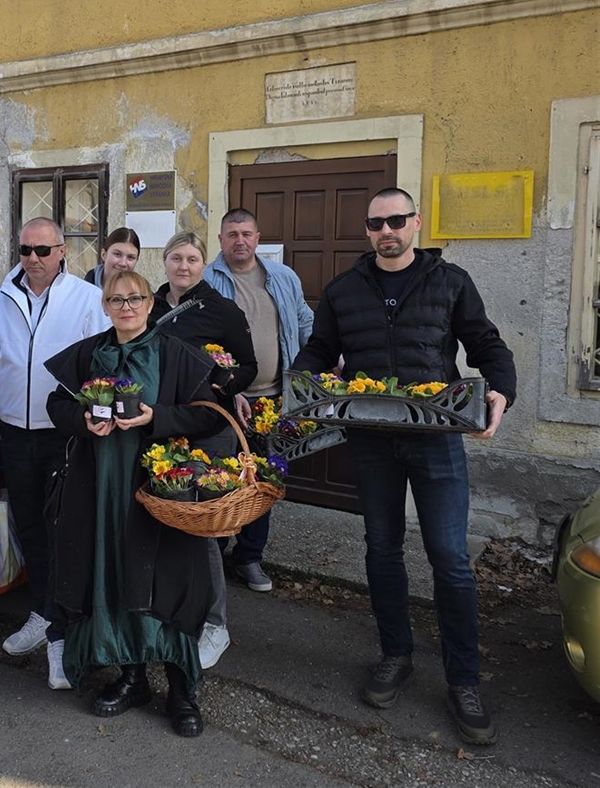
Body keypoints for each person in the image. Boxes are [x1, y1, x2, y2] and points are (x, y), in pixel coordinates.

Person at [292, 187, 516, 745]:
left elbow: (488, 346)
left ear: (415, 223)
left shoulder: (451, 282)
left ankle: (463, 680)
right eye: (375, 223)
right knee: (382, 548)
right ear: (366, 231)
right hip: (371, 438)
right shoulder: (344, 291)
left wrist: (500, 394)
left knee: (450, 557)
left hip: (436, 438)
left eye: (396, 220)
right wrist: (304, 385)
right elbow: (319, 351)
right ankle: (396, 654)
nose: (386, 230)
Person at [44, 270, 221, 737]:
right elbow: (55, 406)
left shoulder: (174, 354)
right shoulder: (89, 354)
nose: (126, 306)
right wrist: (83, 419)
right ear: (104, 305)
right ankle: (132, 676)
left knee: (171, 579)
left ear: (150, 303)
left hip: (159, 488)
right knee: (115, 573)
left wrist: (156, 417)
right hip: (99, 488)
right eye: (116, 299)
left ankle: (182, 689)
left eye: (135, 298)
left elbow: (207, 417)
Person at [0, 217, 109, 689]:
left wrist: (99, 421)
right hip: (15, 433)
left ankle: (60, 633)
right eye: (26, 250)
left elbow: (103, 369)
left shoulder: (88, 300)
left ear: (62, 251)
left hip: (64, 434)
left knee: (63, 531)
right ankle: (41, 613)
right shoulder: (0, 300)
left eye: (43, 251)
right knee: (29, 526)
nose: (33, 259)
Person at [151, 232, 258, 670]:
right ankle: (168, 612)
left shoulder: (222, 310)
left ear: (202, 263)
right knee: (164, 523)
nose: (183, 266)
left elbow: (248, 365)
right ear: (165, 261)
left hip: (209, 432)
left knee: (205, 528)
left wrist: (226, 386)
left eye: (192, 259)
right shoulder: (151, 307)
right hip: (159, 427)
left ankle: (215, 625)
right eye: (176, 257)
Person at [204, 208, 314, 593]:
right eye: (231, 234)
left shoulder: (282, 278)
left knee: (263, 483)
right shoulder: (207, 280)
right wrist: (223, 388)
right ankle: (212, 554)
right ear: (220, 240)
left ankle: (249, 557)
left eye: (246, 234)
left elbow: (303, 322)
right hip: (224, 403)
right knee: (220, 479)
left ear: (257, 237)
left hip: (271, 401)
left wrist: (328, 355)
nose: (239, 241)